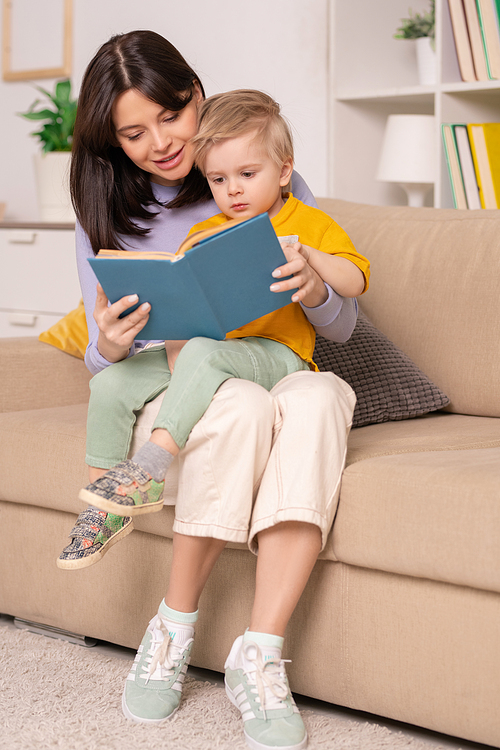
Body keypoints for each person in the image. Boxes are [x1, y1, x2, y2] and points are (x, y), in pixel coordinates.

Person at [56, 30, 363, 750]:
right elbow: (108, 365)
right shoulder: (104, 209)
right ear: (111, 140)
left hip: (277, 360)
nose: (160, 142)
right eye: (133, 133)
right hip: (180, 381)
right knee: (237, 404)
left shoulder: (259, 170)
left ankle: (259, 651)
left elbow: (343, 324)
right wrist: (109, 342)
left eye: (171, 116)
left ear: (196, 94)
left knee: (322, 399)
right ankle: (173, 624)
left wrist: (317, 287)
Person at [76, 89, 369, 526]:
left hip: (275, 351)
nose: (233, 190)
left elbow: (356, 279)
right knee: (111, 385)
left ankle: (153, 462)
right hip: (206, 348)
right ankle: (102, 513)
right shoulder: (205, 229)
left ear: (285, 170)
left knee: (202, 352)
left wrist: (308, 257)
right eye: (217, 180)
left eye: (248, 175)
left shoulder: (306, 221)